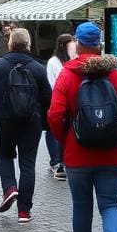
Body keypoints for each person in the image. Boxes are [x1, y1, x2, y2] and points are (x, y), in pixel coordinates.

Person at [48, 22, 117, 232]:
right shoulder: (115, 74)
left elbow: (55, 115)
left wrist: (65, 140)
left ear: (77, 43)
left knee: (81, 206)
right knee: (111, 205)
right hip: (110, 152)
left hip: (78, 154)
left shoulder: (68, 73)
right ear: (99, 44)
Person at [0, 27, 51, 223]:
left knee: (4, 156)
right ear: (29, 44)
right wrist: (40, 119)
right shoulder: (38, 68)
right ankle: (24, 211)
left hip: (5, 122)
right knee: (28, 164)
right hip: (31, 123)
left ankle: (10, 188)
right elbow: (48, 98)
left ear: (10, 43)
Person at [45, 32, 73, 179]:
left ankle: (65, 159)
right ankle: (55, 160)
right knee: (53, 130)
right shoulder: (53, 62)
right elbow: (51, 83)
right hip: (58, 100)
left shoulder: (73, 60)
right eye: (71, 42)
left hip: (71, 102)